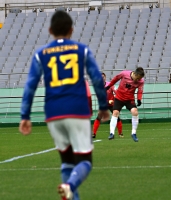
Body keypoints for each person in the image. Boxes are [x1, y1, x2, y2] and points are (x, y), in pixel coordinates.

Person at [19, 10, 110, 200]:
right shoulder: (81, 50)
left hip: (53, 113)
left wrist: (25, 116)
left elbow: (30, 86)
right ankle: (70, 185)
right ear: (72, 30)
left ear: (50, 30)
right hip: (77, 110)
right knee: (85, 160)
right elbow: (96, 78)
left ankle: (69, 191)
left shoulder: (41, 54)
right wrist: (103, 107)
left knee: (67, 161)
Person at [105, 67, 145, 142]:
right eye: (137, 78)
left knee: (135, 112)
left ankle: (133, 133)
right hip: (119, 97)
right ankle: (112, 133)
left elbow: (140, 90)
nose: (138, 80)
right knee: (115, 113)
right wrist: (109, 86)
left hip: (129, 99)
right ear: (135, 74)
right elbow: (115, 79)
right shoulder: (124, 74)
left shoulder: (141, 81)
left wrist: (139, 99)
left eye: (140, 78)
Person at [92, 72, 123, 138]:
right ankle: (93, 134)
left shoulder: (110, 84)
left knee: (117, 117)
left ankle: (120, 133)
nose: (102, 78)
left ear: (105, 78)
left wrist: (117, 97)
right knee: (99, 117)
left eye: (103, 77)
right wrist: (108, 101)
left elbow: (116, 92)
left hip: (112, 104)